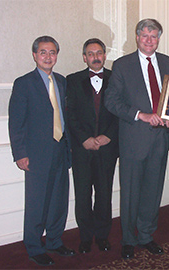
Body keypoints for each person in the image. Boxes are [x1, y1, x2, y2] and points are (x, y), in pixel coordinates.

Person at [104, 18, 169, 260]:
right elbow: (112, 101)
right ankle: (128, 239)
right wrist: (141, 115)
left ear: (159, 38)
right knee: (131, 193)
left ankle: (146, 235)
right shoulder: (122, 65)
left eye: (154, 36)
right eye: (144, 35)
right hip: (133, 139)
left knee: (152, 191)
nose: (149, 40)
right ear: (137, 37)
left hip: (160, 139)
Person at [8, 36, 75, 266]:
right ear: (35, 55)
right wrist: (20, 153)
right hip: (36, 155)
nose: (48, 56)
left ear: (57, 55)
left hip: (60, 150)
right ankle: (35, 247)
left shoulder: (62, 81)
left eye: (53, 52)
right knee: (37, 204)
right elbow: (16, 122)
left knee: (59, 201)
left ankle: (55, 241)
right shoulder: (23, 83)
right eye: (43, 52)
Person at [66, 38, 119, 254]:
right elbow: (70, 115)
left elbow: (121, 111)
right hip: (82, 148)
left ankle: (103, 236)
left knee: (104, 194)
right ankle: (86, 237)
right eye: (90, 53)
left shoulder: (117, 79)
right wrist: (84, 138)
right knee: (83, 194)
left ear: (105, 55)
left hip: (107, 147)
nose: (95, 57)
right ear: (84, 57)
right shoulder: (72, 80)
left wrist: (108, 136)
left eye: (99, 53)